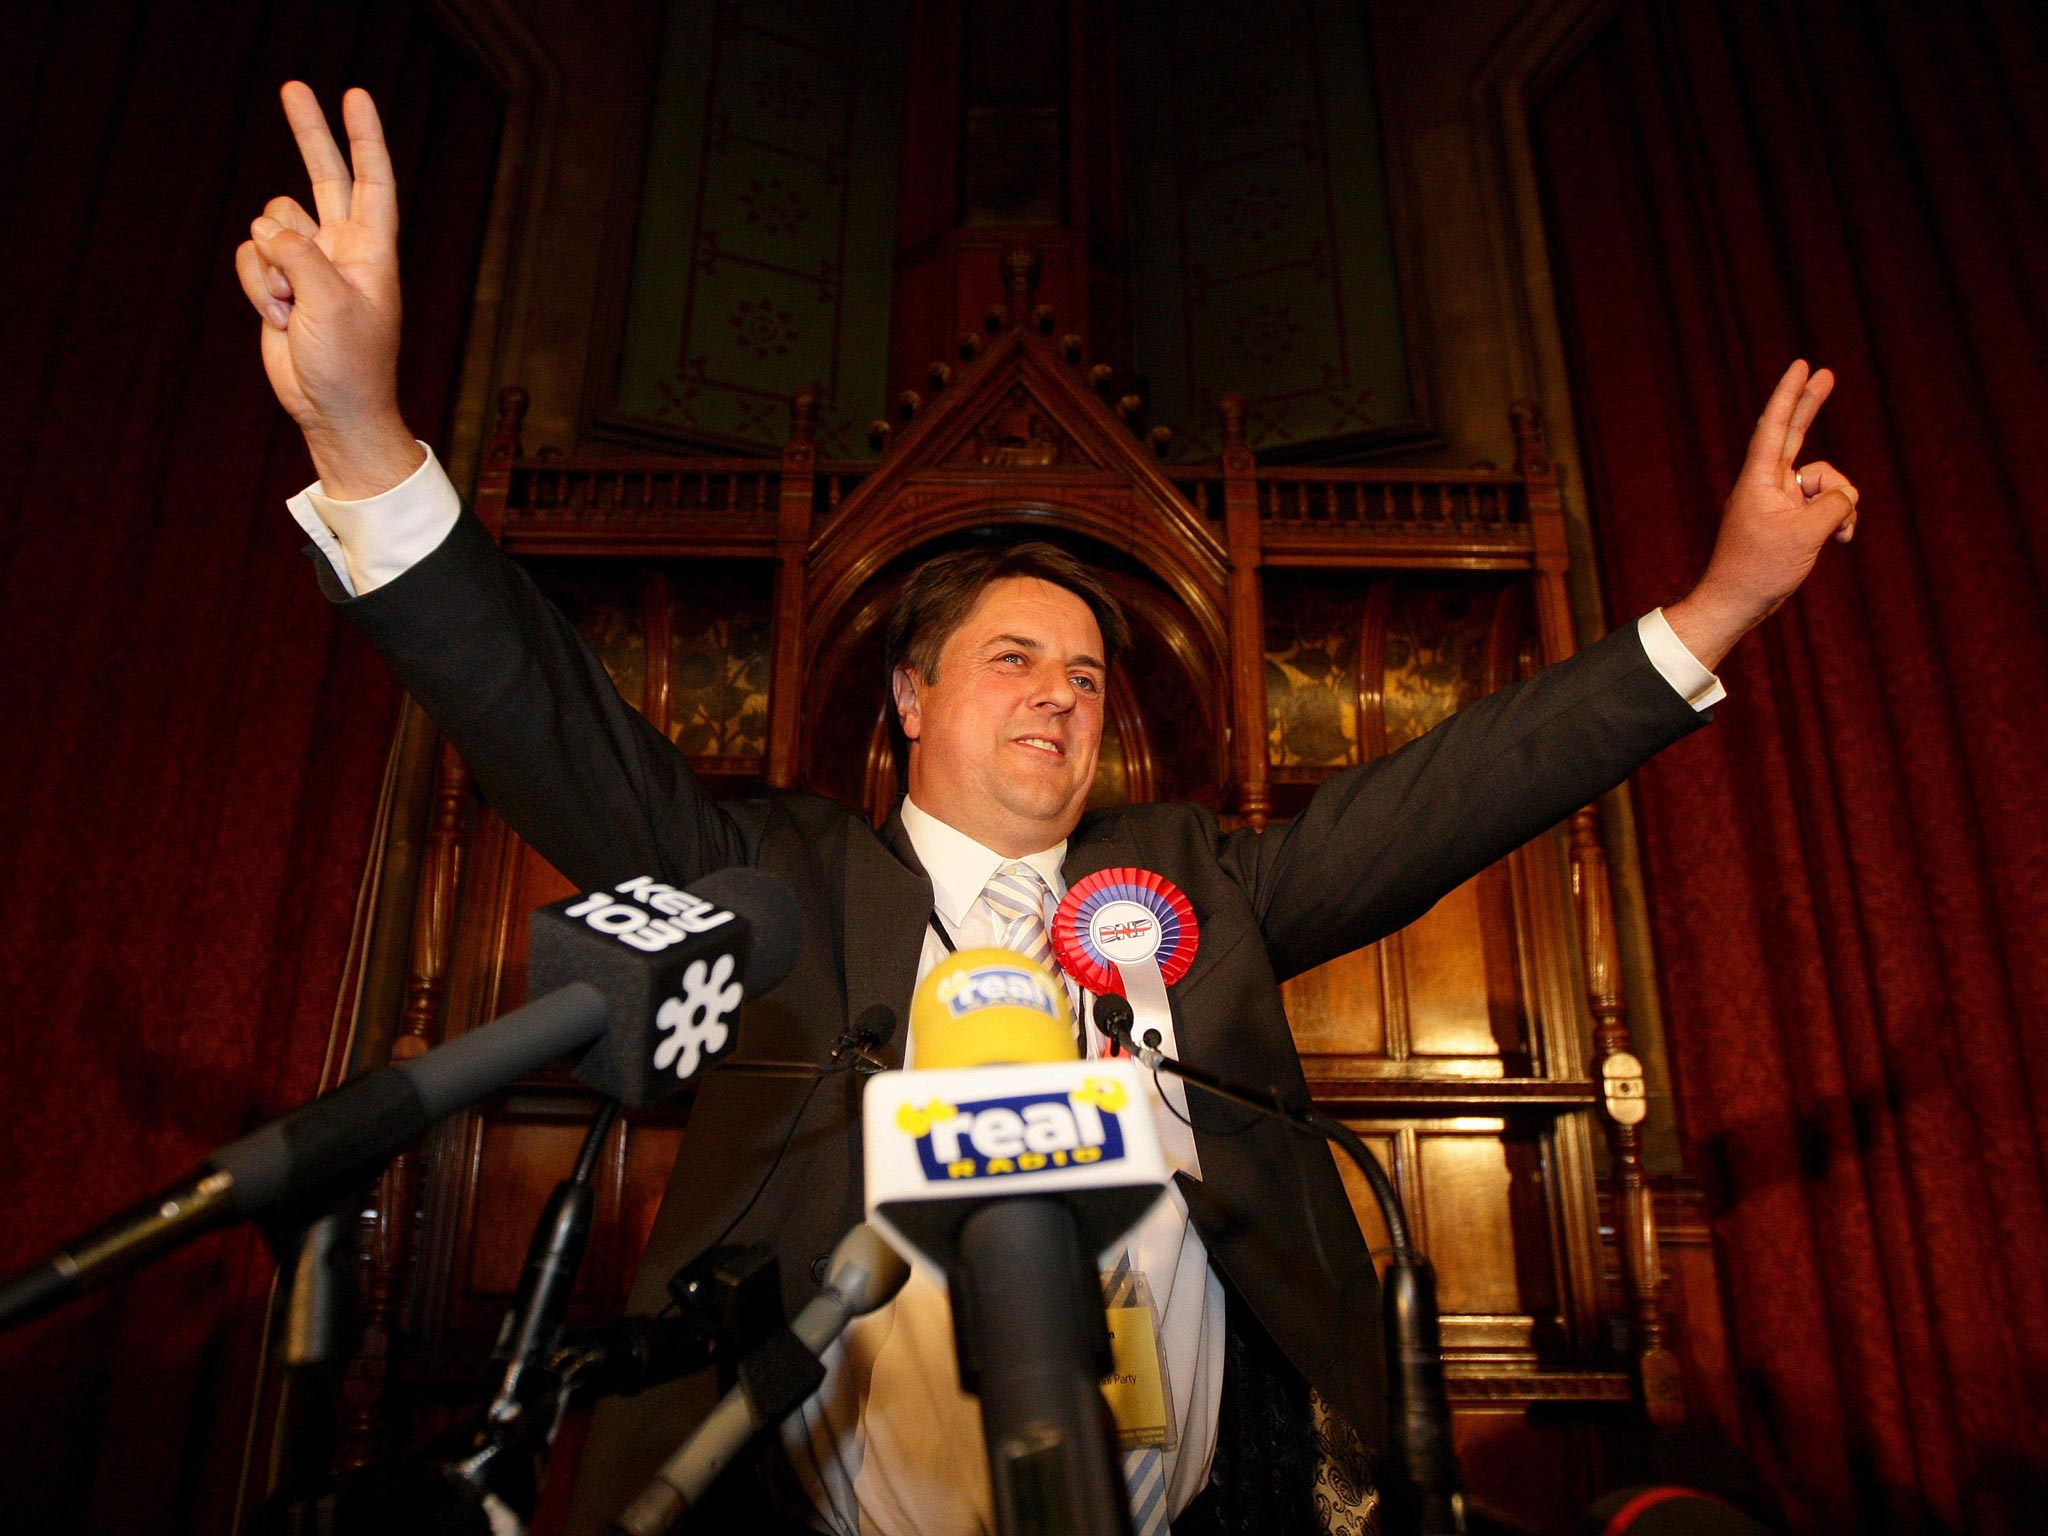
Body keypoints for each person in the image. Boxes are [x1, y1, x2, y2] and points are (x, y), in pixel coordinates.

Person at [237, 84, 1862, 1536]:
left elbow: (1458, 789)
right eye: (1014, 657)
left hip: (1216, 1487)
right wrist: (364, 433)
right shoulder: (776, 877)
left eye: (1088, 676)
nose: (1061, 697)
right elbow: (547, 719)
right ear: (912, 700)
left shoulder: (1192, 883)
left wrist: (1717, 605)